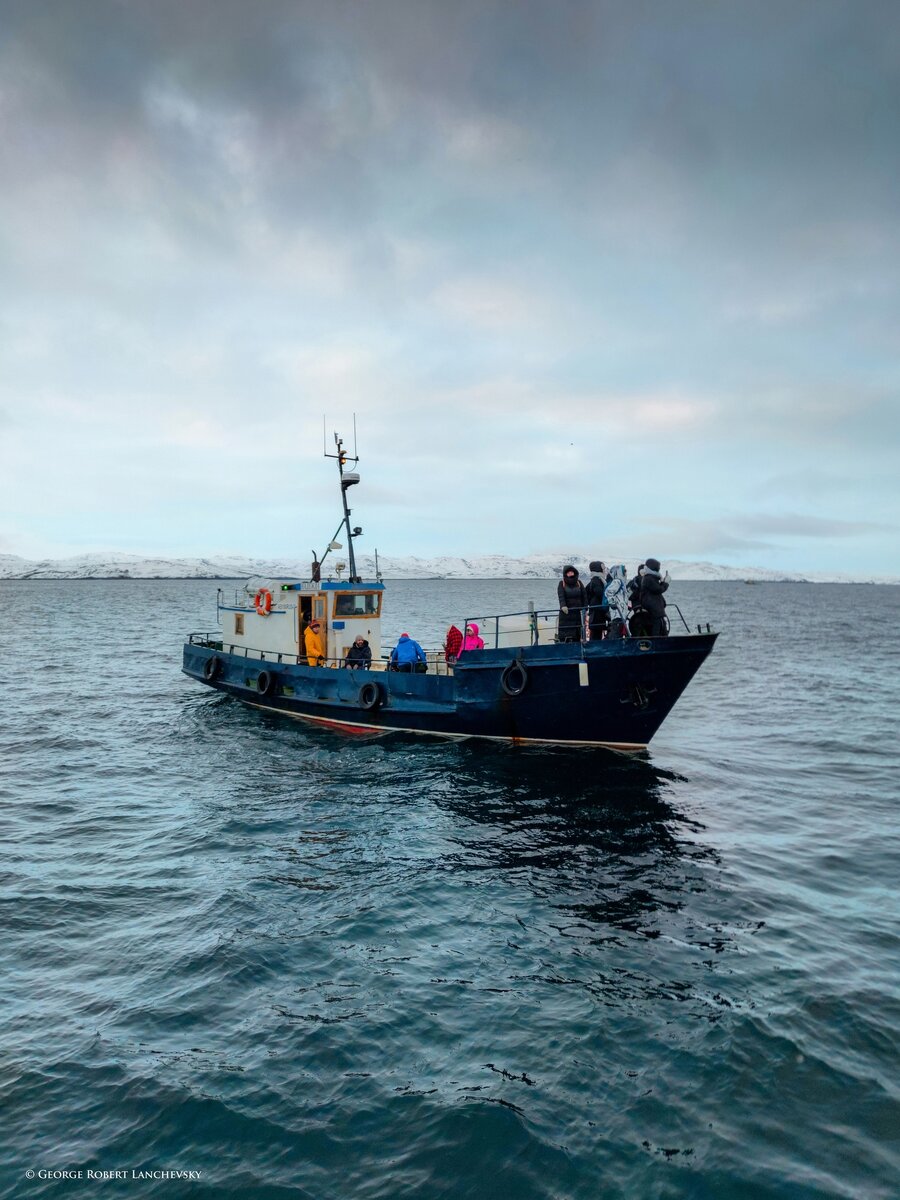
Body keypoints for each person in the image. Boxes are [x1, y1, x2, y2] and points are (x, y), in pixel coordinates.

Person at [639, 557, 669, 636]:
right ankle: (655, 641)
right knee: (657, 624)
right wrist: (666, 583)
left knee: (661, 623)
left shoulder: (651, 577)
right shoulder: (648, 578)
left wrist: (663, 582)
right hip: (653, 606)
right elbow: (658, 589)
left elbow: (657, 589)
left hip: (655, 605)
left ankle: (664, 639)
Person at [557, 565, 586, 643]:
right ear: (565, 573)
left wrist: (585, 607)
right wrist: (563, 606)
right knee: (566, 634)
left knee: (577, 633)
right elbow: (561, 596)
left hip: (577, 613)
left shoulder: (579, 583)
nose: (570, 573)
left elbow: (584, 596)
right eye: (568, 572)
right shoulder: (561, 584)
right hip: (566, 613)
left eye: (571, 571)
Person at [604, 565, 629, 639]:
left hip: (621, 612)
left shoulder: (622, 584)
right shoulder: (617, 581)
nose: (625, 573)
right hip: (617, 612)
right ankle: (612, 646)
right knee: (616, 631)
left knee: (619, 631)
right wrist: (612, 603)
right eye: (624, 571)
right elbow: (608, 592)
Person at [585, 561, 608, 640]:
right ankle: (594, 647)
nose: (604, 570)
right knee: (596, 632)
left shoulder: (596, 580)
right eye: (603, 568)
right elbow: (599, 592)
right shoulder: (596, 580)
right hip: (596, 611)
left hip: (596, 610)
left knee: (597, 631)